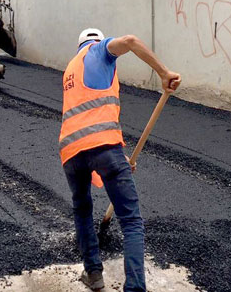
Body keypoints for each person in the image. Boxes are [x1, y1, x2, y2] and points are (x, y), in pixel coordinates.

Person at [60, 28, 181, 292]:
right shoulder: (99, 51)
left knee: (82, 210)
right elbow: (130, 41)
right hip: (103, 147)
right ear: (96, 42)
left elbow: (86, 126)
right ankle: (135, 288)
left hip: (71, 152)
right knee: (131, 221)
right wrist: (164, 73)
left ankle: (93, 274)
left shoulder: (70, 70)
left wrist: (121, 160)